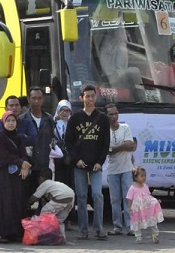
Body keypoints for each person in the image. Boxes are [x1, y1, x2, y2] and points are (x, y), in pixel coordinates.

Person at [65, 84, 110, 240]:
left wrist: (100, 162)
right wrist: (77, 160)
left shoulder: (103, 119)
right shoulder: (75, 118)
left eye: (92, 96)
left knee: (97, 195)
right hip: (80, 165)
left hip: (96, 165)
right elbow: (68, 143)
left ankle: (98, 229)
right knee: (82, 196)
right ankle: (83, 231)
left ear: (96, 97)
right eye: (87, 96)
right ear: (81, 98)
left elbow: (105, 143)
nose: (90, 99)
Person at [0, 111, 32, 243]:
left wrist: (24, 165)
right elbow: (3, 155)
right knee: (4, 203)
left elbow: (23, 153)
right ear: (3, 122)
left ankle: (15, 232)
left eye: (13, 121)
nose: (10, 123)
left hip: (16, 174)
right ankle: (1, 233)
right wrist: (21, 163)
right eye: (8, 121)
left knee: (16, 202)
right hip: (1, 174)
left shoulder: (19, 137)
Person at [19, 86, 56, 202]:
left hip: (44, 165)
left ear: (43, 100)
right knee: (25, 198)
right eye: (33, 98)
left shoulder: (49, 119)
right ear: (28, 100)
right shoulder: (21, 119)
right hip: (28, 165)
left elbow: (53, 140)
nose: (36, 101)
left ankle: (44, 220)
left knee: (46, 199)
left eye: (39, 98)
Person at [105, 103, 136, 236]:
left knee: (128, 198)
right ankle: (117, 226)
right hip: (112, 170)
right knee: (115, 200)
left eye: (116, 113)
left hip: (126, 169)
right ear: (106, 116)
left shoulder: (125, 127)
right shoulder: (105, 131)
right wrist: (122, 146)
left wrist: (116, 148)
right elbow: (108, 150)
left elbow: (131, 146)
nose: (114, 116)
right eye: (111, 114)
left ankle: (130, 226)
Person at [27, 168, 75, 237]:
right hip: (71, 198)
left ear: (41, 178)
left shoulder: (44, 184)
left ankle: (44, 236)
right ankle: (61, 238)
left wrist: (28, 204)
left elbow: (34, 197)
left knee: (44, 213)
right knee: (59, 220)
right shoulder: (54, 183)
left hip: (60, 198)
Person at [126, 166, 164, 244]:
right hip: (137, 208)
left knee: (152, 220)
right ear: (135, 177)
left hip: (146, 208)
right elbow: (129, 199)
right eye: (142, 176)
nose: (144, 178)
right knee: (137, 221)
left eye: (145, 176)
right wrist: (129, 207)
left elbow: (149, 196)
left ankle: (155, 234)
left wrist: (155, 201)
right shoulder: (132, 188)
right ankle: (138, 236)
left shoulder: (146, 186)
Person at [53, 100, 72, 186]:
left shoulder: (72, 123)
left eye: (67, 110)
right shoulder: (53, 122)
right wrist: (54, 121)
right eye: (62, 110)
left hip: (69, 157)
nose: (64, 113)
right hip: (56, 157)